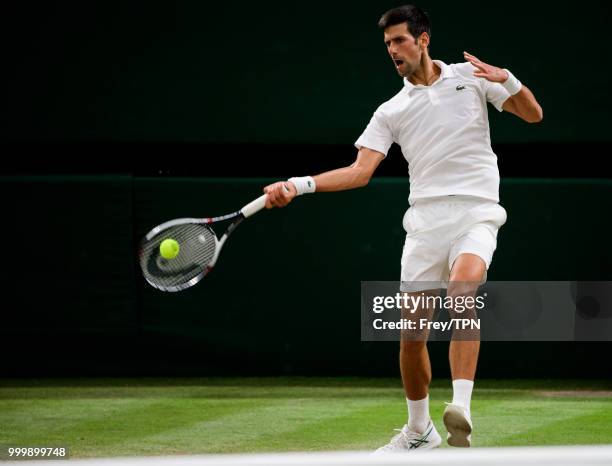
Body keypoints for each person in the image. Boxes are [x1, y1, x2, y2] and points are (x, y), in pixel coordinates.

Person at [263, 4, 542, 452]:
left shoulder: (470, 79)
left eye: (400, 41)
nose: (393, 50)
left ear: (423, 38)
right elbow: (358, 172)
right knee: (411, 334)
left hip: (476, 211)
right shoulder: (390, 110)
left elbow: (533, 115)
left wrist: (506, 78)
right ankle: (419, 430)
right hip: (425, 222)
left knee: (463, 289)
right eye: (388, 44)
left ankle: (462, 409)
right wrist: (298, 185)